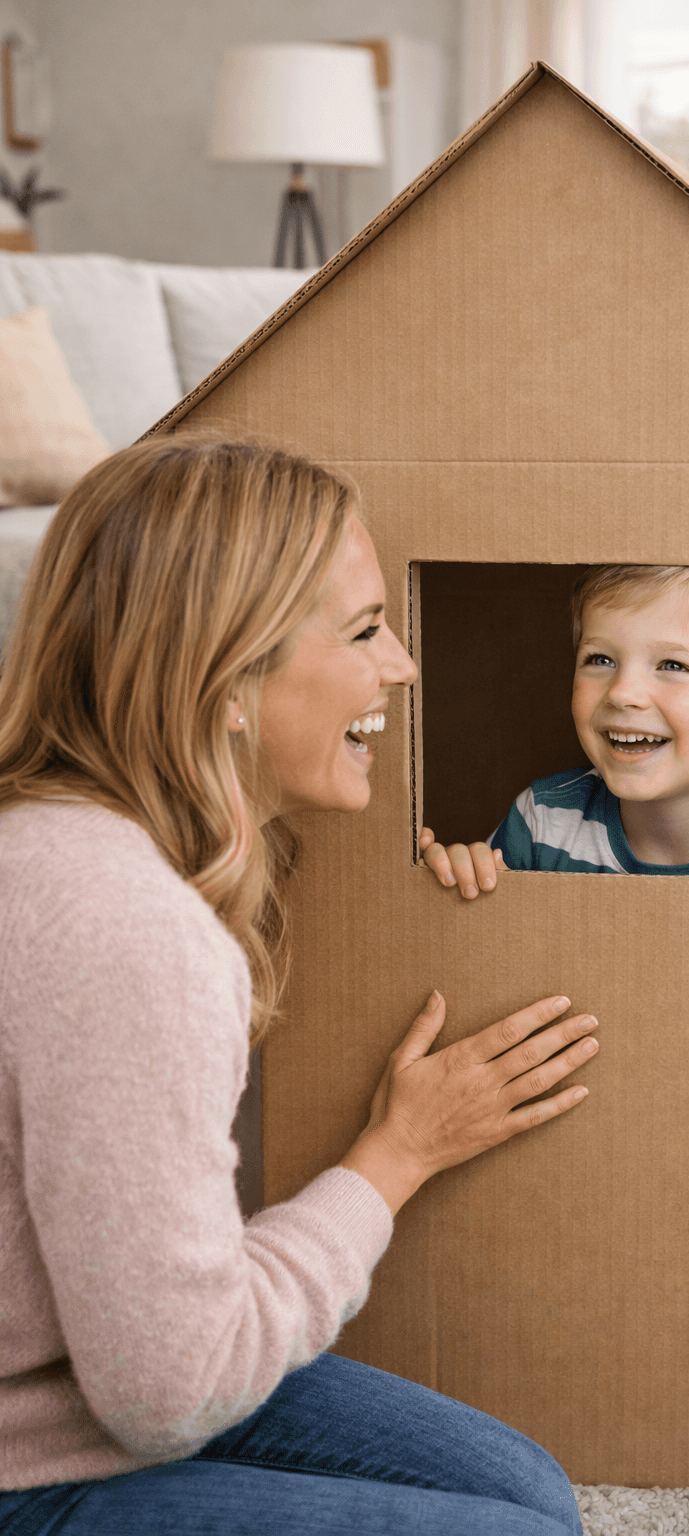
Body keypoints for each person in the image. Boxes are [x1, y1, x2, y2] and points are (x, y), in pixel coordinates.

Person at [0, 438, 597, 1536]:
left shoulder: (53, 835)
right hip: (26, 1459)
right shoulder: (129, 931)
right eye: (367, 630)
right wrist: (391, 1159)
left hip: (49, 1384)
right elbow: (171, 1392)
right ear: (228, 683)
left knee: (524, 1490)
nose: (404, 667)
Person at [420, 563, 689, 893]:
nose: (621, 693)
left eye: (672, 665)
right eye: (600, 658)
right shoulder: (544, 825)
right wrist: (467, 879)